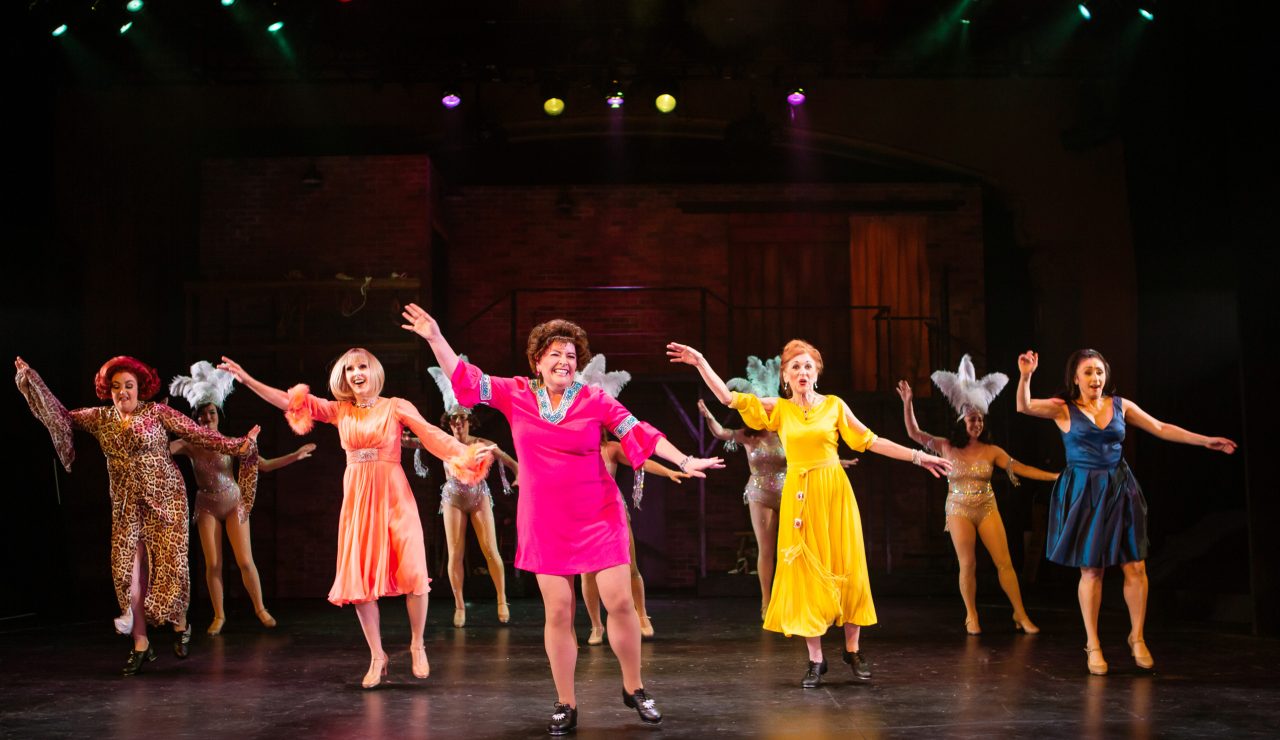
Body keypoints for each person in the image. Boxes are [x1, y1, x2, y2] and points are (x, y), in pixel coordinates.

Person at [401, 303, 722, 735]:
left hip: (598, 512)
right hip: (546, 519)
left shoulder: (594, 399)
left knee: (621, 601)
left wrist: (684, 459)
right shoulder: (516, 393)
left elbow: (637, 431)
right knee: (559, 611)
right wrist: (436, 338)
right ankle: (566, 702)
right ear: (537, 361)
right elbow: (466, 382)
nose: (564, 362)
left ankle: (635, 687)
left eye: (571, 356)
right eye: (555, 354)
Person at [668, 339, 951, 688]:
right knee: (803, 572)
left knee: (847, 566)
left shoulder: (834, 406)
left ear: (817, 374)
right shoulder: (779, 410)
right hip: (800, 496)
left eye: (808, 366)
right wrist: (700, 361)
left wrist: (919, 457)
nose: (803, 371)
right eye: (795, 367)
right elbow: (730, 399)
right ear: (785, 376)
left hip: (834, 492)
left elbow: (871, 440)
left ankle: (852, 649)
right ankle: (816, 659)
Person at [218, 349, 493, 688]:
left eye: (362, 366)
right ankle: (378, 656)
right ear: (344, 377)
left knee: (414, 572)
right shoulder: (340, 410)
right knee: (360, 580)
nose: (356, 373)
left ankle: (418, 644)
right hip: (359, 500)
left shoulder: (395, 405)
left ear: (374, 371)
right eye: (349, 369)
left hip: (394, 495)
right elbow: (290, 402)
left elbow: (430, 436)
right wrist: (246, 379)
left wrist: (464, 454)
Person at [15, 355, 257, 675]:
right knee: (130, 574)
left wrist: (238, 445)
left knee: (171, 568)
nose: (122, 392)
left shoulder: (157, 412)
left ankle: (180, 622)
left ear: (139, 389)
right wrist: (32, 382)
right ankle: (141, 644)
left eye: (128, 386)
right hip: (127, 503)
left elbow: (198, 434)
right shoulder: (100, 418)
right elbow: (60, 416)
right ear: (108, 391)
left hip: (165, 500)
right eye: (116, 387)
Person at [1016, 348, 1237, 675]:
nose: (1096, 378)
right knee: (1092, 570)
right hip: (1085, 491)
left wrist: (1204, 441)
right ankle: (1093, 644)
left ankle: (1137, 636)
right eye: (1089, 372)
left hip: (1121, 488)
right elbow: (1024, 406)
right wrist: (1026, 376)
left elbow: (1160, 428)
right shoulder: (1063, 409)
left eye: (1100, 372)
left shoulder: (1121, 406)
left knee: (1135, 565)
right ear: (1075, 378)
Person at [897, 355, 1058, 636]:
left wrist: (1055, 476)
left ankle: (1020, 613)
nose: (977, 424)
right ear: (962, 421)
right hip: (958, 508)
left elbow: (1020, 467)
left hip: (986, 506)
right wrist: (908, 403)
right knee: (968, 563)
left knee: (1004, 562)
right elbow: (914, 433)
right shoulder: (946, 446)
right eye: (972, 419)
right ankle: (971, 615)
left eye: (980, 420)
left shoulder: (991, 450)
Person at [168, 361, 316, 635]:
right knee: (213, 564)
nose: (207, 419)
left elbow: (265, 464)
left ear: (218, 414)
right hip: (207, 505)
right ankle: (219, 615)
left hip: (233, 501)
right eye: (201, 415)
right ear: (195, 419)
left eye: (211, 413)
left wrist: (295, 456)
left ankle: (260, 609)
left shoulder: (231, 443)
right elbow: (164, 449)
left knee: (245, 561)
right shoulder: (190, 444)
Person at [577, 355, 691, 645]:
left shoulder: (611, 449)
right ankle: (595, 626)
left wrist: (669, 471)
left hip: (612, 511)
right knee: (587, 574)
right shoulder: (575, 451)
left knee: (630, 566)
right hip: (583, 515)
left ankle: (642, 615)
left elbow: (641, 459)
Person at [424, 358, 519, 628]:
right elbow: (419, 439)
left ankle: (502, 598)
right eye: (453, 420)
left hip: (478, 496)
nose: (458, 424)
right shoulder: (443, 444)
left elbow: (505, 457)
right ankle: (458, 605)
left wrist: (518, 471)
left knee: (490, 549)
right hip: (453, 499)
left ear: (469, 422)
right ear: (448, 422)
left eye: (462, 419)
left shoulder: (481, 443)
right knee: (455, 553)